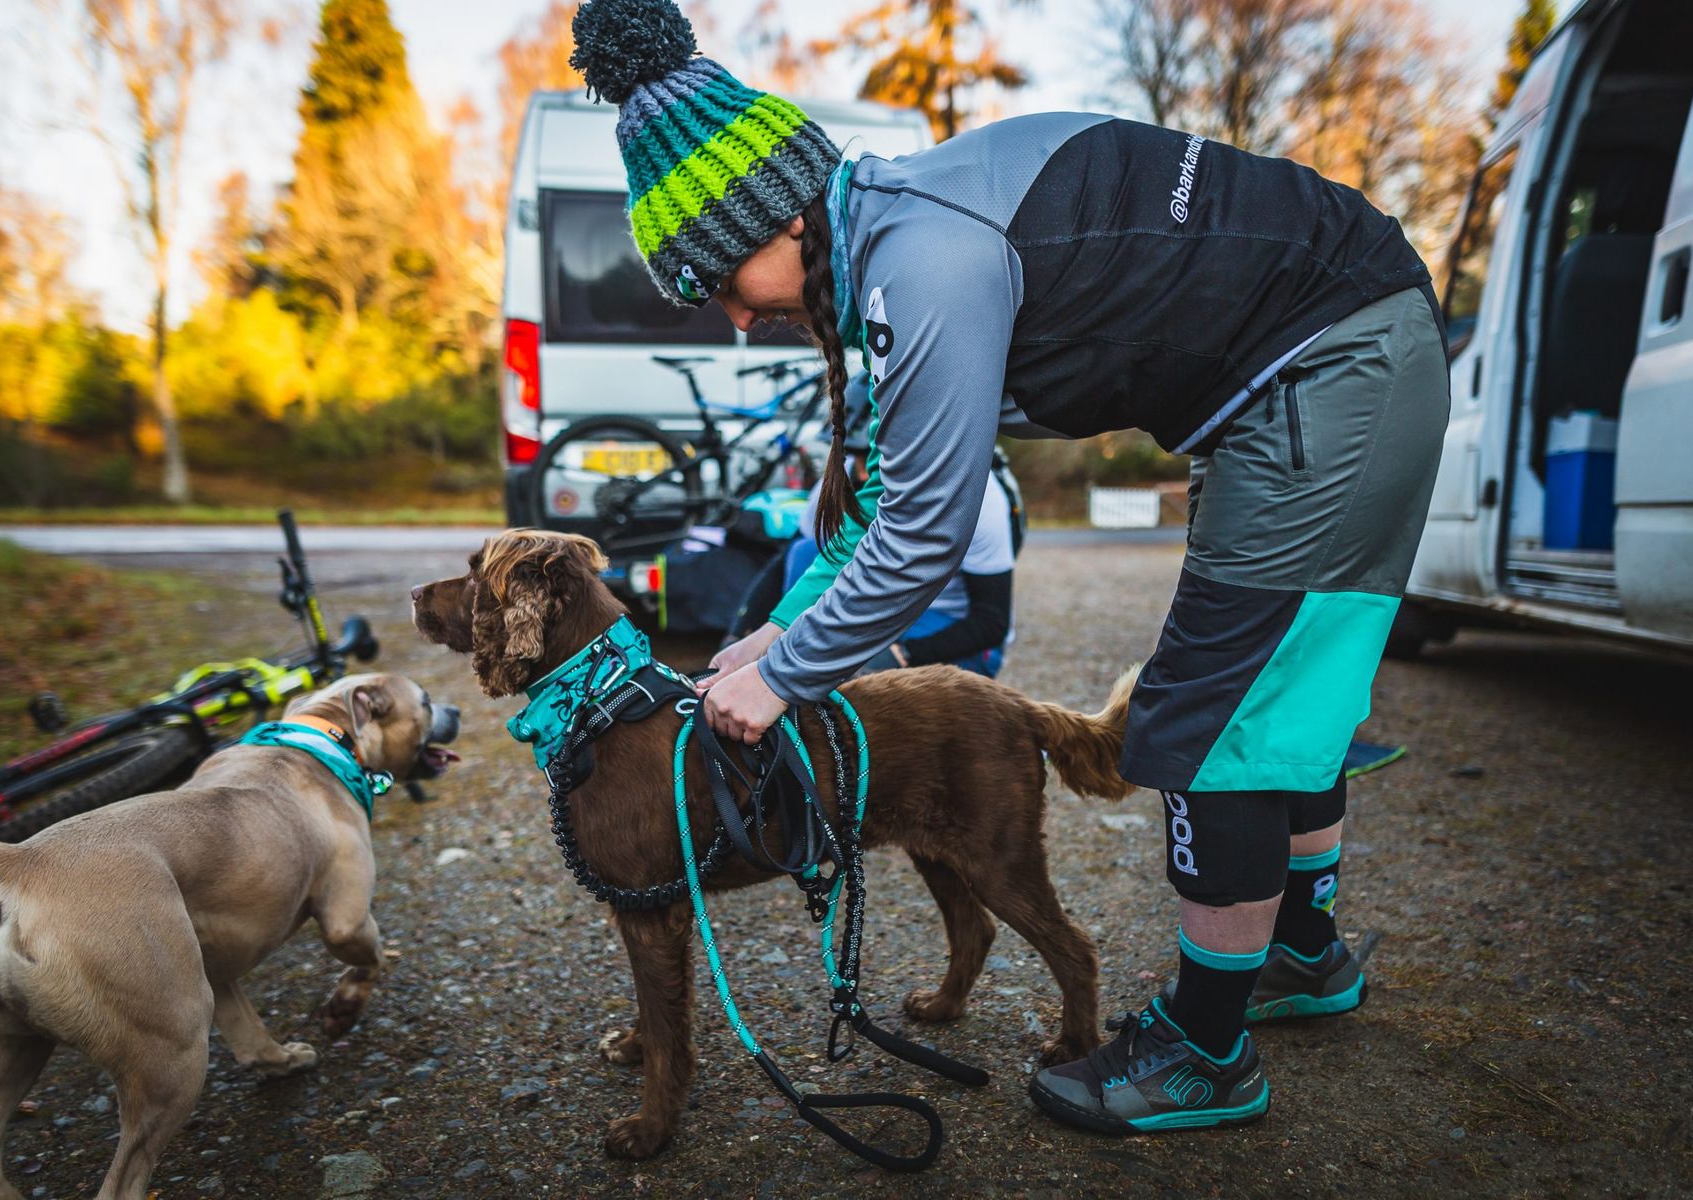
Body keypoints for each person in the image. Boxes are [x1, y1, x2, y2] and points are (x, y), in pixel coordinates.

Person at [569, 0, 1448, 1137]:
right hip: (1333, 352)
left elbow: (923, 535)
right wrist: (776, 630)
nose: (738, 318)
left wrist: (783, 679)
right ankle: (1303, 955)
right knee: (1286, 696)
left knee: (1213, 717)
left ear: (780, 214)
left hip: (1331, 364)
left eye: (724, 280)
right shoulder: (893, 231)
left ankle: (1205, 1052)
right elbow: (878, 501)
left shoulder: (919, 259)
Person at [728, 372, 1018, 678]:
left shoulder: (978, 497)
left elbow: (992, 621)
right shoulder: (841, 477)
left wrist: (905, 653)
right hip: (877, 601)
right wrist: (740, 635)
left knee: (853, 673)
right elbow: (784, 562)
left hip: (939, 616)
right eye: (856, 458)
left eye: (874, 459)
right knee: (805, 551)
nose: (865, 474)